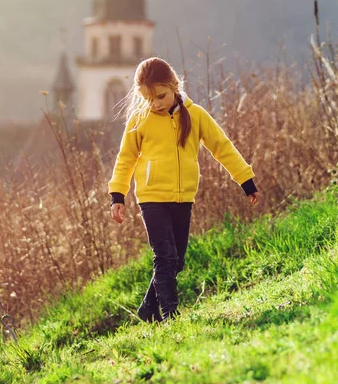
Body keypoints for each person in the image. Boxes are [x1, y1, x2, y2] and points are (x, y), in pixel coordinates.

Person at [109, 57, 258, 322]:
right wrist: (117, 195)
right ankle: (170, 315)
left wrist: (245, 180)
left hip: (182, 197)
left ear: (174, 85)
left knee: (176, 261)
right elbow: (125, 159)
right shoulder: (139, 120)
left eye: (160, 96)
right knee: (164, 256)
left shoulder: (197, 115)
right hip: (151, 198)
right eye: (148, 99)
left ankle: (147, 309)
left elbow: (222, 147)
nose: (154, 104)